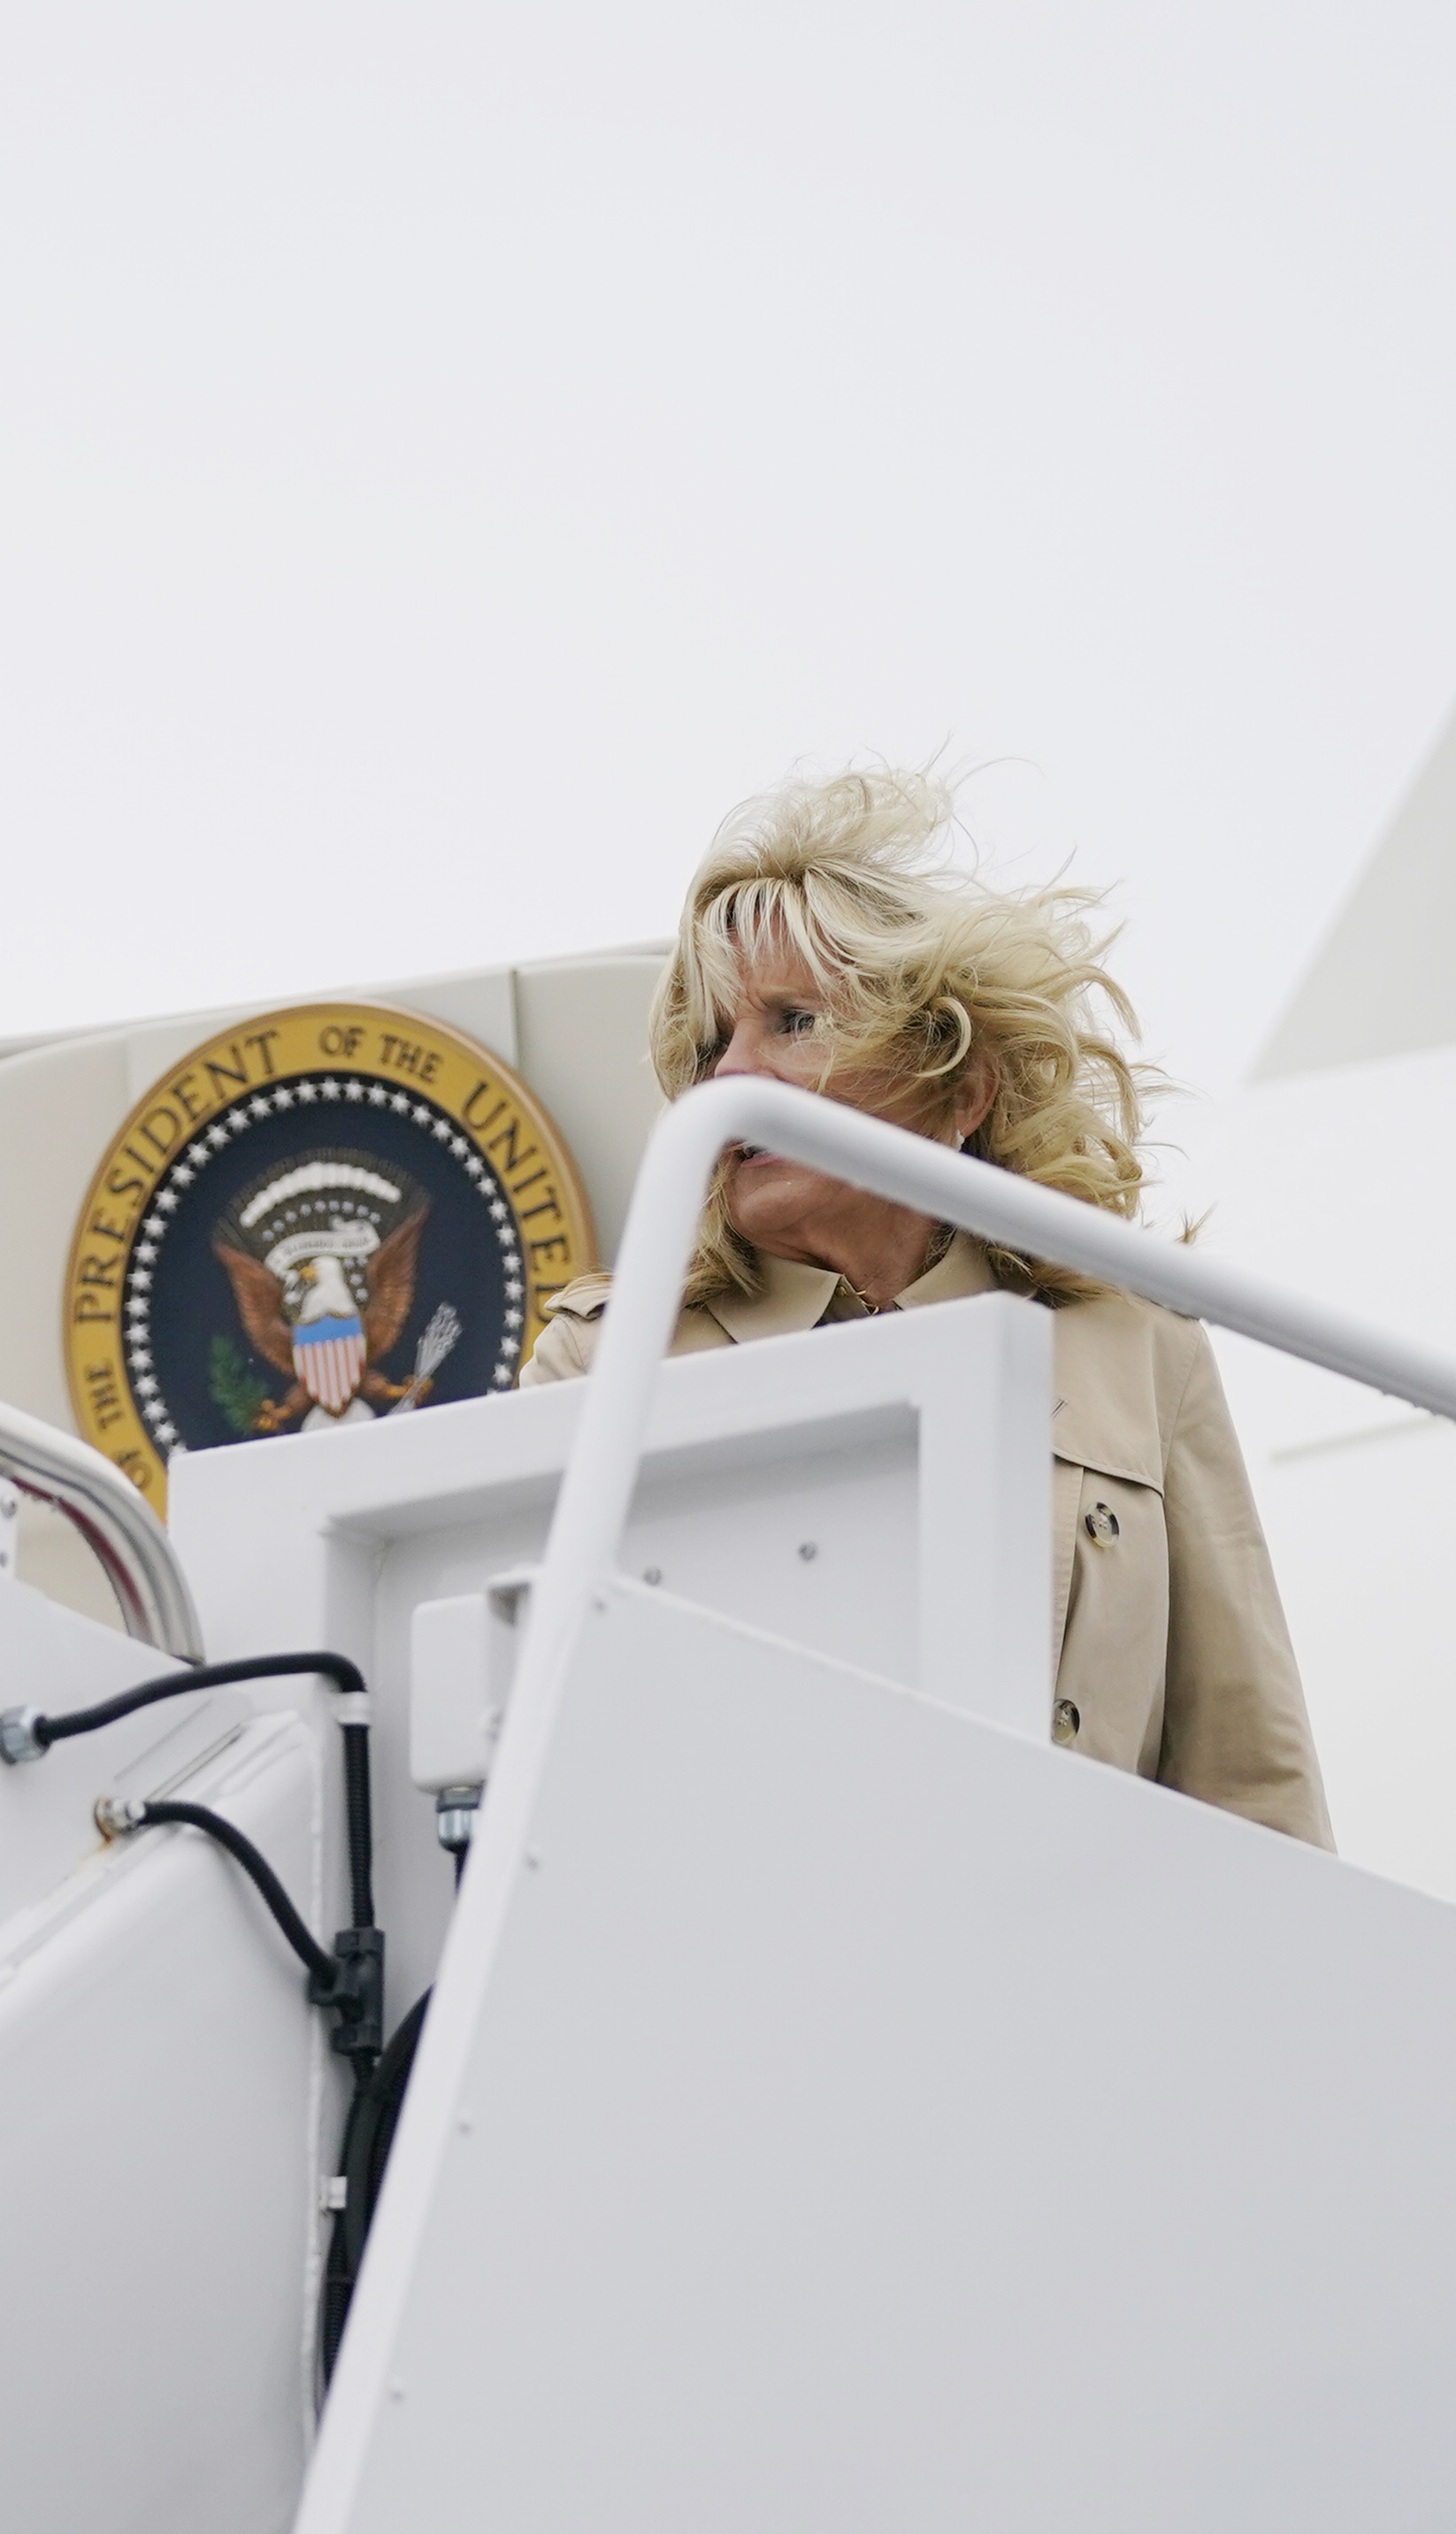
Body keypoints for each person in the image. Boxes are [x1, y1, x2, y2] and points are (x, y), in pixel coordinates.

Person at [525, 770, 1328, 1844]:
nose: (733, 1075)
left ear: (958, 1083)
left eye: (794, 1021)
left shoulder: (1138, 1344)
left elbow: (1252, 1777)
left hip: (1078, 1933)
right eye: (715, 1043)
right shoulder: (603, 1362)